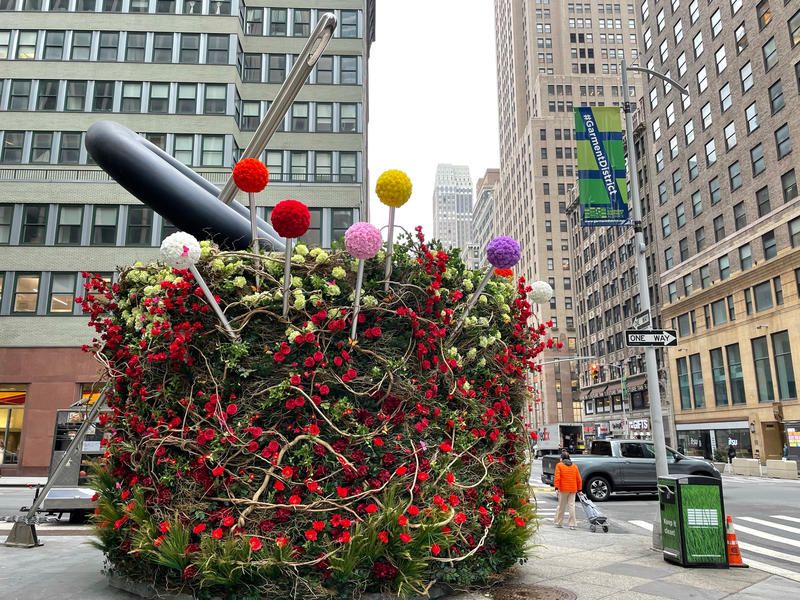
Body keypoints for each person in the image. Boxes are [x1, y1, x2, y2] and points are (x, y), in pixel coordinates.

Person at [553, 451, 582, 530]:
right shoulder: (574, 466)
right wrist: (579, 489)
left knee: (561, 506)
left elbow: (557, 477)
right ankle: (572, 524)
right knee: (571, 506)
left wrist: (556, 488)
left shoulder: (559, 465)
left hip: (563, 489)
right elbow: (579, 479)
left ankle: (559, 523)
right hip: (573, 489)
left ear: (561, 458)